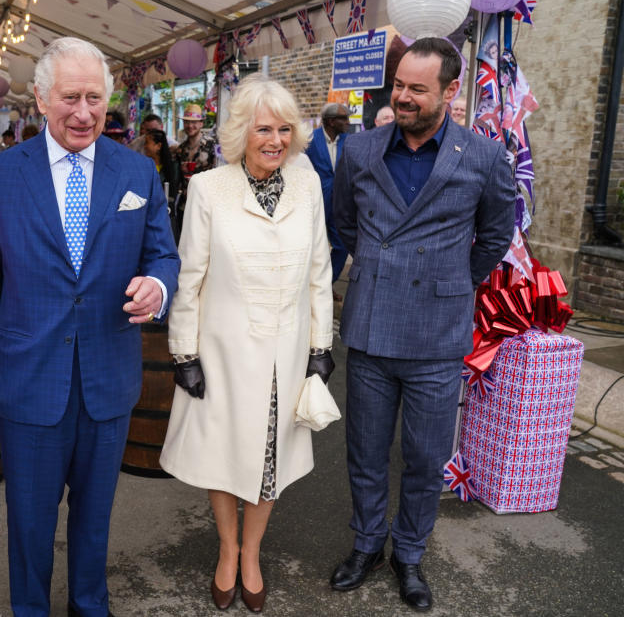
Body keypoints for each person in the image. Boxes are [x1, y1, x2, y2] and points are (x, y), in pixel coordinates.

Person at [0, 36, 179, 617]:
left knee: (95, 520)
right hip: (28, 376)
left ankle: (91, 606)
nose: (83, 113)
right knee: (30, 524)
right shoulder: (1, 175)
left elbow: (163, 255)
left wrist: (157, 286)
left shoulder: (136, 171)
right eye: (69, 98)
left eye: (94, 98)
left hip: (108, 377)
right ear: (40, 98)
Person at [330, 37, 514, 612]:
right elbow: (345, 227)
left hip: (437, 334)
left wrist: (447, 279)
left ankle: (409, 554)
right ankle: (366, 544)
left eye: (416, 89)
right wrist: (384, 268)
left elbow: (494, 239)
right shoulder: (359, 150)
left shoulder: (483, 159)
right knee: (364, 449)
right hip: (371, 327)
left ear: (451, 91)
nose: (402, 97)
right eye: (398, 86)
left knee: (425, 455)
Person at [159, 73, 334, 614]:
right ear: (242, 132)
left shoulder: (307, 188)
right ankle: (227, 550)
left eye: (285, 129)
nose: (276, 140)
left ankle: (251, 553)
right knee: (223, 454)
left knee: (268, 460)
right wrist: (184, 352)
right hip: (224, 350)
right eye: (264, 129)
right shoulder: (211, 188)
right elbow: (190, 276)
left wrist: (321, 344)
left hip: (286, 350)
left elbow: (321, 271)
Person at [305, 102, 349, 285]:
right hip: (315, 203)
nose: (348, 122)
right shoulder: (309, 141)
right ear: (331, 121)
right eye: (343, 118)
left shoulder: (349, 141)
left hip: (339, 203)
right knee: (312, 248)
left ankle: (326, 284)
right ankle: (307, 286)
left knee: (342, 245)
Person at [172, 103, 217, 230]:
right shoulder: (180, 149)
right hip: (185, 204)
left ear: (201, 123)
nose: (190, 126)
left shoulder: (212, 145)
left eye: (194, 122)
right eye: (186, 122)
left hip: (207, 202)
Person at [142, 129, 182, 239]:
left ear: (158, 145)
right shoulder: (144, 166)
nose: (144, 146)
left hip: (166, 217)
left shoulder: (172, 167)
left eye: (147, 143)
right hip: (147, 217)